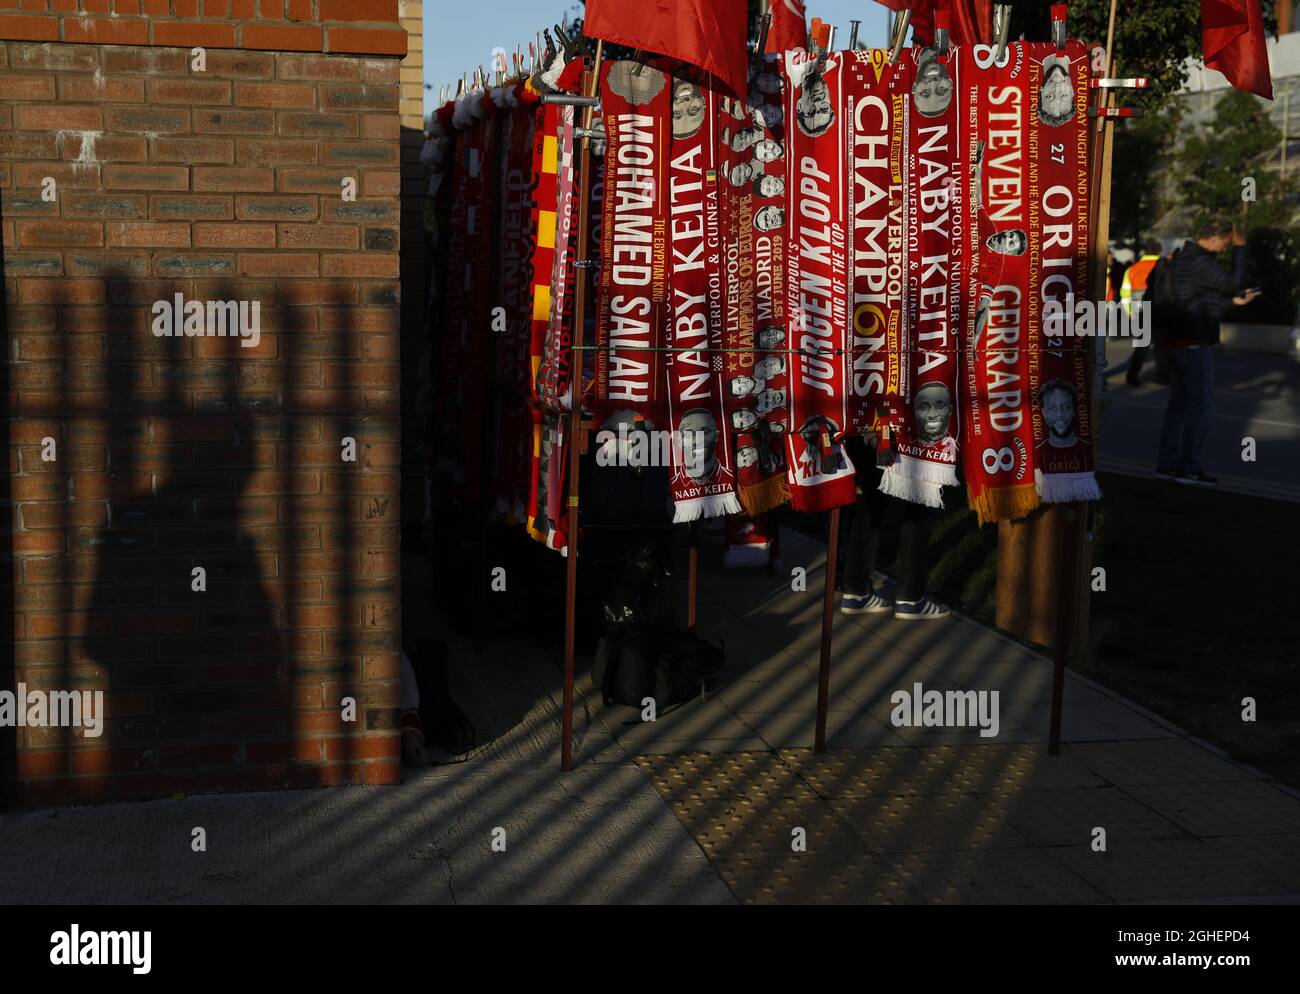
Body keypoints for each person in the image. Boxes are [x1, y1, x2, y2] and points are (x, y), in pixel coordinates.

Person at [1155, 216, 1258, 485]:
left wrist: (1233, 301)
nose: (1225, 248)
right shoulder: (1199, 261)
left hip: (1180, 341)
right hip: (1193, 344)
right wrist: (1241, 246)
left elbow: (1201, 302)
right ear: (1216, 238)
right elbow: (1234, 279)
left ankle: (1166, 465)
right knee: (1200, 408)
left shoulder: (1185, 259)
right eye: (1226, 243)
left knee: (1177, 406)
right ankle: (1188, 467)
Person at [839, 435, 950, 621]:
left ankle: (855, 588)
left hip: (874, 424)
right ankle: (910, 595)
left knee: (871, 499)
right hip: (908, 425)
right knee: (918, 499)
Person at [1123, 238, 1163, 385]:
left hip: (1140, 312)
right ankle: (1163, 376)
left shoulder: (1132, 269)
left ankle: (1132, 376)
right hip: (1161, 310)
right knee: (1162, 345)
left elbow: (1125, 293)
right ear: (1159, 251)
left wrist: (1130, 313)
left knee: (1141, 347)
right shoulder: (1164, 266)